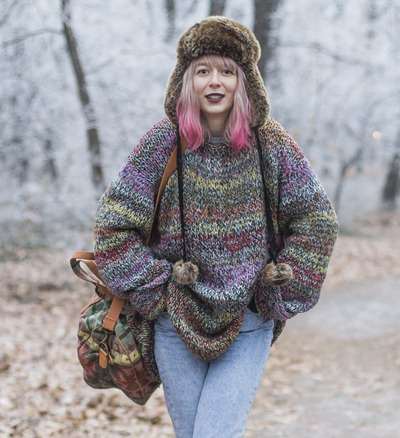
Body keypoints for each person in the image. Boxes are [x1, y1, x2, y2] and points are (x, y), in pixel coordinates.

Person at [94, 16, 338, 437]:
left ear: (245, 82)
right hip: (174, 323)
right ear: (186, 79)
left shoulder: (272, 144)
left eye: (228, 71)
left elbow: (318, 219)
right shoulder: (161, 144)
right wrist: (159, 290)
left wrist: (277, 286)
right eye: (203, 70)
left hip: (247, 322)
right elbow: (113, 227)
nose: (216, 81)